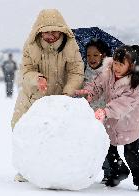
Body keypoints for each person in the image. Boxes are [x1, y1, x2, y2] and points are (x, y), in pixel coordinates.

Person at [11, 9, 84, 182]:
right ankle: (25, 169)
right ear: (39, 30)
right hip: (32, 96)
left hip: (60, 97)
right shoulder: (31, 46)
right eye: (46, 31)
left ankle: (51, 171)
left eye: (54, 31)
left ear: (62, 30)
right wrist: (37, 79)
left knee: (55, 134)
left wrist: (68, 91)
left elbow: (76, 72)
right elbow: (25, 71)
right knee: (23, 129)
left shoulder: (71, 47)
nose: (50, 35)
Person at [76, 45, 139, 192]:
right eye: (115, 63)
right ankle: (119, 172)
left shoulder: (134, 86)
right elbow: (97, 84)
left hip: (131, 123)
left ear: (131, 66)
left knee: (131, 154)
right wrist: (90, 92)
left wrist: (105, 111)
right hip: (112, 121)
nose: (116, 67)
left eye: (121, 64)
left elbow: (122, 104)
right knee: (108, 149)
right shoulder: (108, 72)